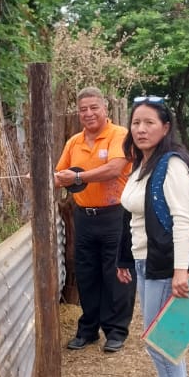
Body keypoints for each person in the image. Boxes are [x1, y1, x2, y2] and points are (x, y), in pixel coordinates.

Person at [116, 95, 189, 377]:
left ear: (165, 128)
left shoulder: (172, 164)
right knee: (162, 337)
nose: (141, 129)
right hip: (143, 259)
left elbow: (183, 220)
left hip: (163, 264)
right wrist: (125, 258)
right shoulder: (142, 164)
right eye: (136, 122)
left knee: (162, 339)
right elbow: (131, 217)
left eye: (149, 123)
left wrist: (180, 271)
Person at [54, 86, 135, 353]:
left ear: (105, 108)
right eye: (83, 110)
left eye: (93, 108)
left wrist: (77, 177)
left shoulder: (119, 135)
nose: (88, 113)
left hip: (116, 215)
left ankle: (116, 331)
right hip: (84, 217)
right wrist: (42, 178)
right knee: (86, 273)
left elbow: (113, 169)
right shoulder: (74, 142)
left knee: (117, 273)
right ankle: (88, 330)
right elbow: (59, 175)